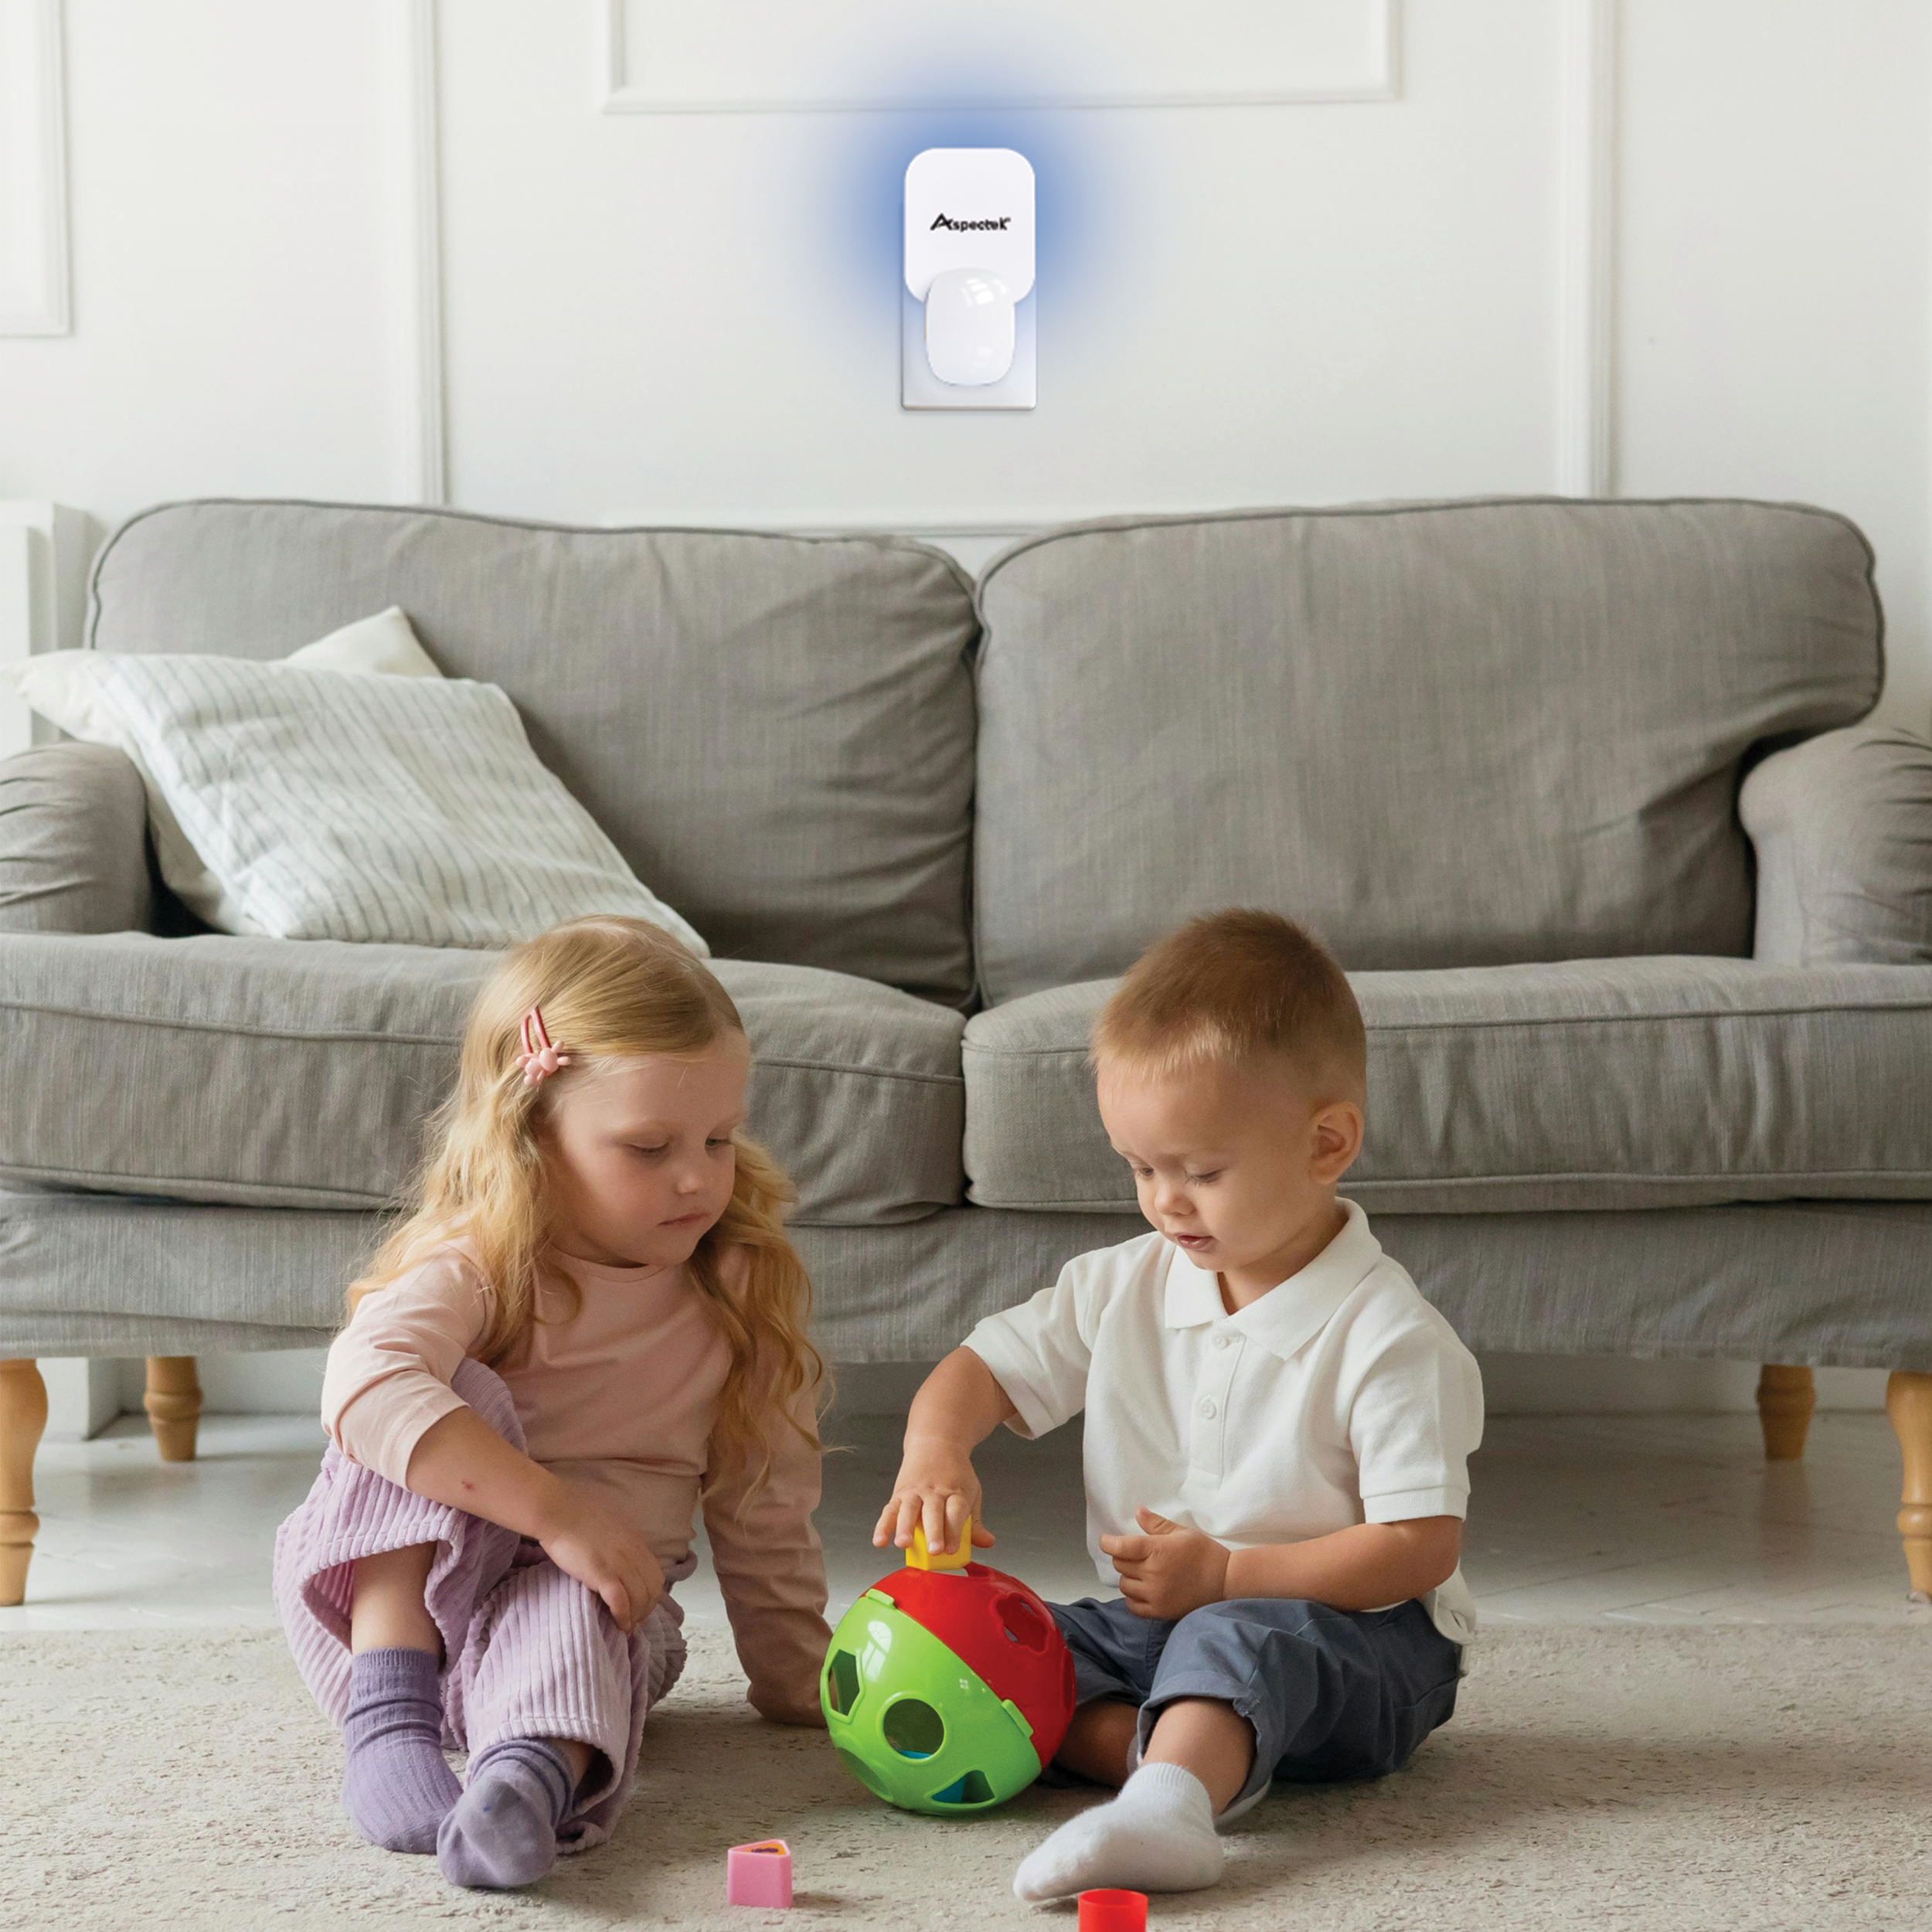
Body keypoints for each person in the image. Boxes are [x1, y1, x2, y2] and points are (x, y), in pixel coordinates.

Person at [875, 907, 1483, 1900]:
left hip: (1360, 1645)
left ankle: (1169, 1810)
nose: (1165, 1201)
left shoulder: (1390, 1337)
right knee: (1011, 1638)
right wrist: (936, 1447)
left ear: (1326, 1142)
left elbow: (1419, 1544)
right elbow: (980, 1367)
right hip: (1159, 1622)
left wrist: (1232, 1571)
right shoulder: (1127, 1282)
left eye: (1201, 1171)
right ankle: (1174, 1771)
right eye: (1141, 1167)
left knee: (1232, 1635)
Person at [274, 914, 828, 1889]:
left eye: (718, 1138)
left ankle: (524, 1784)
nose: (697, 1175)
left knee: (575, 1603)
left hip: (599, 1628)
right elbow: (361, 1382)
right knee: (427, 1390)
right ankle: (389, 1733)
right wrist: (556, 1511)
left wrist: (793, 1674)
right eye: (648, 1146)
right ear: (534, 1132)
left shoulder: (735, 1289)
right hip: (398, 1631)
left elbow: (763, 1496)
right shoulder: (484, 1263)